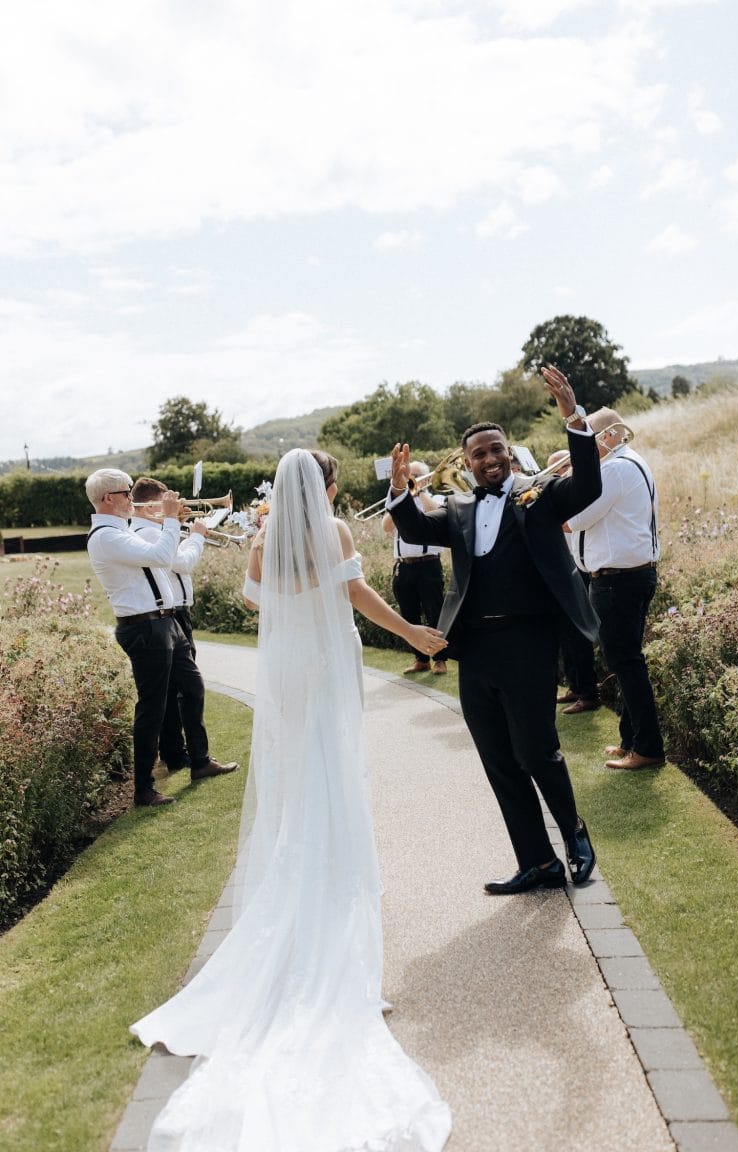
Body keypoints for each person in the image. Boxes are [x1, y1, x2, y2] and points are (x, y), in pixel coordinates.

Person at [130, 448, 451, 1152]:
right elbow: (356, 597)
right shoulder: (334, 532)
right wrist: (412, 634)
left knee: (302, 768)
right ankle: (339, 871)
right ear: (327, 487)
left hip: (287, 669)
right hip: (330, 662)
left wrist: (270, 564)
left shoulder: (265, 538)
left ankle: (301, 863)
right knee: (335, 764)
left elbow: (254, 600)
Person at [387, 366, 600, 895]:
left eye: (496, 449)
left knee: (536, 750)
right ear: (467, 462)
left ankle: (572, 831)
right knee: (500, 762)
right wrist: (398, 488)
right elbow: (412, 526)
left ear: (508, 452)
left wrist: (573, 416)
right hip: (474, 650)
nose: (489, 459)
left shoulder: (541, 494)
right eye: (478, 453)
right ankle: (539, 862)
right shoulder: (457, 509)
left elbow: (590, 484)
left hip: (528, 644)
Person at [85, 469, 237, 809]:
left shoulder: (122, 530)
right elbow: (162, 557)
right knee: (152, 708)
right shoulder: (106, 536)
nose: (132, 499)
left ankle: (200, 761)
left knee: (193, 686)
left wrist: (171, 523)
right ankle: (143, 789)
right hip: (143, 628)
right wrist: (170, 519)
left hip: (166, 623)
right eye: (127, 493)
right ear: (109, 498)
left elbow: (163, 559)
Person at [567, 408, 665, 771]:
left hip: (617, 580)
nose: (585, 448)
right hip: (629, 576)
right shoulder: (631, 462)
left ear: (610, 435)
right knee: (626, 660)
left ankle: (648, 747)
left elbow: (574, 520)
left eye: (588, 438)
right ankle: (631, 739)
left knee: (626, 662)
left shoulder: (613, 468)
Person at [129, 476, 229, 775]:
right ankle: (181, 754)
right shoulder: (147, 533)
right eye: (166, 501)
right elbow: (182, 563)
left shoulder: (159, 530)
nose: (174, 505)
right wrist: (197, 536)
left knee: (177, 689)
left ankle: (179, 753)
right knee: (182, 689)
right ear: (149, 505)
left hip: (176, 611)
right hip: (169, 615)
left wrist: (184, 531)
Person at [546, 450, 600, 715]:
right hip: (564, 569)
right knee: (565, 633)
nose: (560, 473)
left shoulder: (577, 494)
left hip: (581, 569)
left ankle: (589, 693)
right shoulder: (554, 494)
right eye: (555, 469)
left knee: (579, 635)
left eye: (565, 465)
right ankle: (575, 686)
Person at [382, 459, 447, 675]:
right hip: (404, 566)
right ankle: (421, 659)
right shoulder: (398, 500)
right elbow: (386, 526)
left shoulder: (435, 497)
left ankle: (440, 660)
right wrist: (401, 497)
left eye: (417, 475)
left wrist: (418, 493)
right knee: (409, 614)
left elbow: (435, 512)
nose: (412, 478)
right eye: (411, 474)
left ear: (426, 478)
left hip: (428, 564)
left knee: (434, 612)